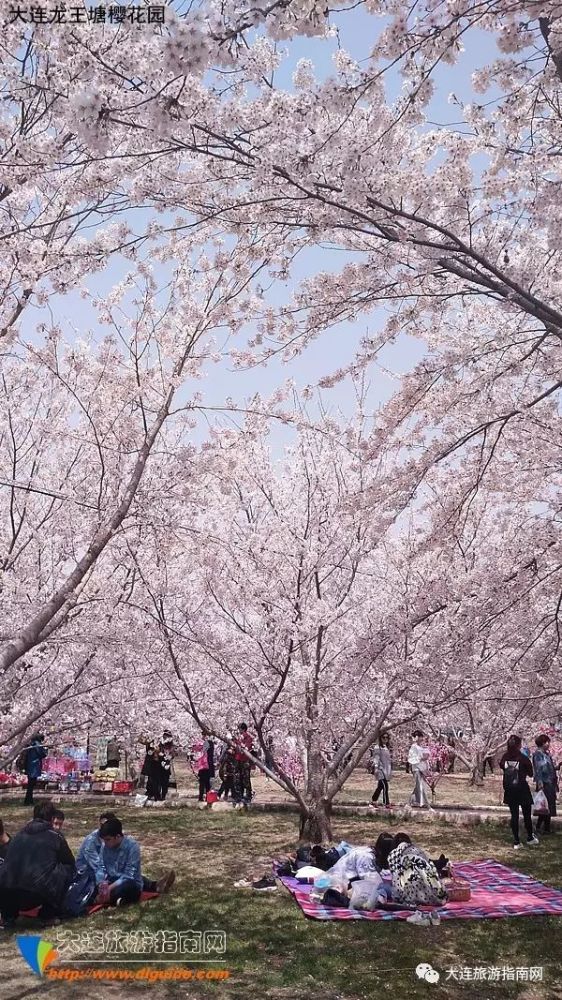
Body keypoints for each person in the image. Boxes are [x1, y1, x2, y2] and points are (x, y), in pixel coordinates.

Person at [0, 801, 75, 928]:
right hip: (36, 894)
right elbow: (69, 861)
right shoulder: (55, 836)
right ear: (52, 819)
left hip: (6, 893)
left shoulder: (19, 835)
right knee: (67, 869)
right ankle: (48, 914)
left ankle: (8, 917)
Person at [76, 813, 174, 895]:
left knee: (128, 885)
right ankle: (154, 886)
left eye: (108, 840)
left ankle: (153, 886)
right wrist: (101, 883)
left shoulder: (131, 846)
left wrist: (109, 887)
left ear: (117, 836)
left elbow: (129, 875)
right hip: (96, 874)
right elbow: (99, 867)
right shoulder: (98, 843)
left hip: (123, 880)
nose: (105, 842)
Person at [499, 735, 539, 849]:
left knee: (514, 815)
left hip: (510, 789)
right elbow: (531, 773)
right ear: (518, 745)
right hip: (522, 788)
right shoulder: (523, 758)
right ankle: (530, 837)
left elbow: (502, 766)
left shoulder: (505, 757)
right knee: (527, 814)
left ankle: (516, 841)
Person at [387, 833, 447, 907]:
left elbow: (396, 879)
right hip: (437, 897)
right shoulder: (418, 850)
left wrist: (396, 897)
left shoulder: (394, 854)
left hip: (415, 898)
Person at [532, 734, 558, 835]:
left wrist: (557, 766)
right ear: (542, 743)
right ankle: (539, 827)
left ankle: (546, 828)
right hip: (544, 783)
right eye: (547, 742)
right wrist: (540, 783)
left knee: (549, 806)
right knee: (543, 806)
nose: (548, 744)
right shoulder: (538, 754)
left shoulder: (547, 754)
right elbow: (538, 769)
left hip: (550, 782)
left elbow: (550, 767)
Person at [23, 733, 48, 806]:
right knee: (31, 785)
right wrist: (46, 750)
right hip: (34, 766)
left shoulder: (31, 744)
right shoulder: (37, 744)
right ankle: (28, 801)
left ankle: (28, 800)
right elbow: (42, 754)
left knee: (30, 785)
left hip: (30, 765)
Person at [408, 731, 431, 808]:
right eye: (417, 736)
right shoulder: (413, 747)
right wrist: (421, 758)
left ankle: (410, 802)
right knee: (420, 786)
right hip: (417, 769)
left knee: (418, 786)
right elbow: (411, 759)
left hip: (423, 769)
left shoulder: (422, 747)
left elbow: (426, 759)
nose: (420, 738)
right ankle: (427, 805)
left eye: (420, 736)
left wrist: (427, 768)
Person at [233, 723, 254, 808]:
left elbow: (245, 748)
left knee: (242, 778)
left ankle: (245, 795)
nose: (239, 731)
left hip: (243, 759)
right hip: (240, 759)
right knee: (242, 778)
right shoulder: (241, 737)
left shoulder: (247, 737)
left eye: (240, 729)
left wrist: (238, 744)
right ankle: (243, 795)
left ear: (242, 729)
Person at [370, 732, 392, 808]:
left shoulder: (386, 747)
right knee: (385, 786)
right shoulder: (377, 747)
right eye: (383, 737)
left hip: (386, 770)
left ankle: (373, 801)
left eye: (387, 737)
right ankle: (386, 803)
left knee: (380, 787)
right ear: (380, 738)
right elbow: (376, 758)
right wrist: (376, 768)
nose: (385, 739)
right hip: (380, 770)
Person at [193, 730, 215, 802]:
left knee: (204, 782)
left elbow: (197, 749)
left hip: (204, 765)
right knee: (205, 782)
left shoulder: (204, 743)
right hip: (204, 765)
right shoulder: (208, 743)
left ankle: (202, 797)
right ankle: (205, 797)